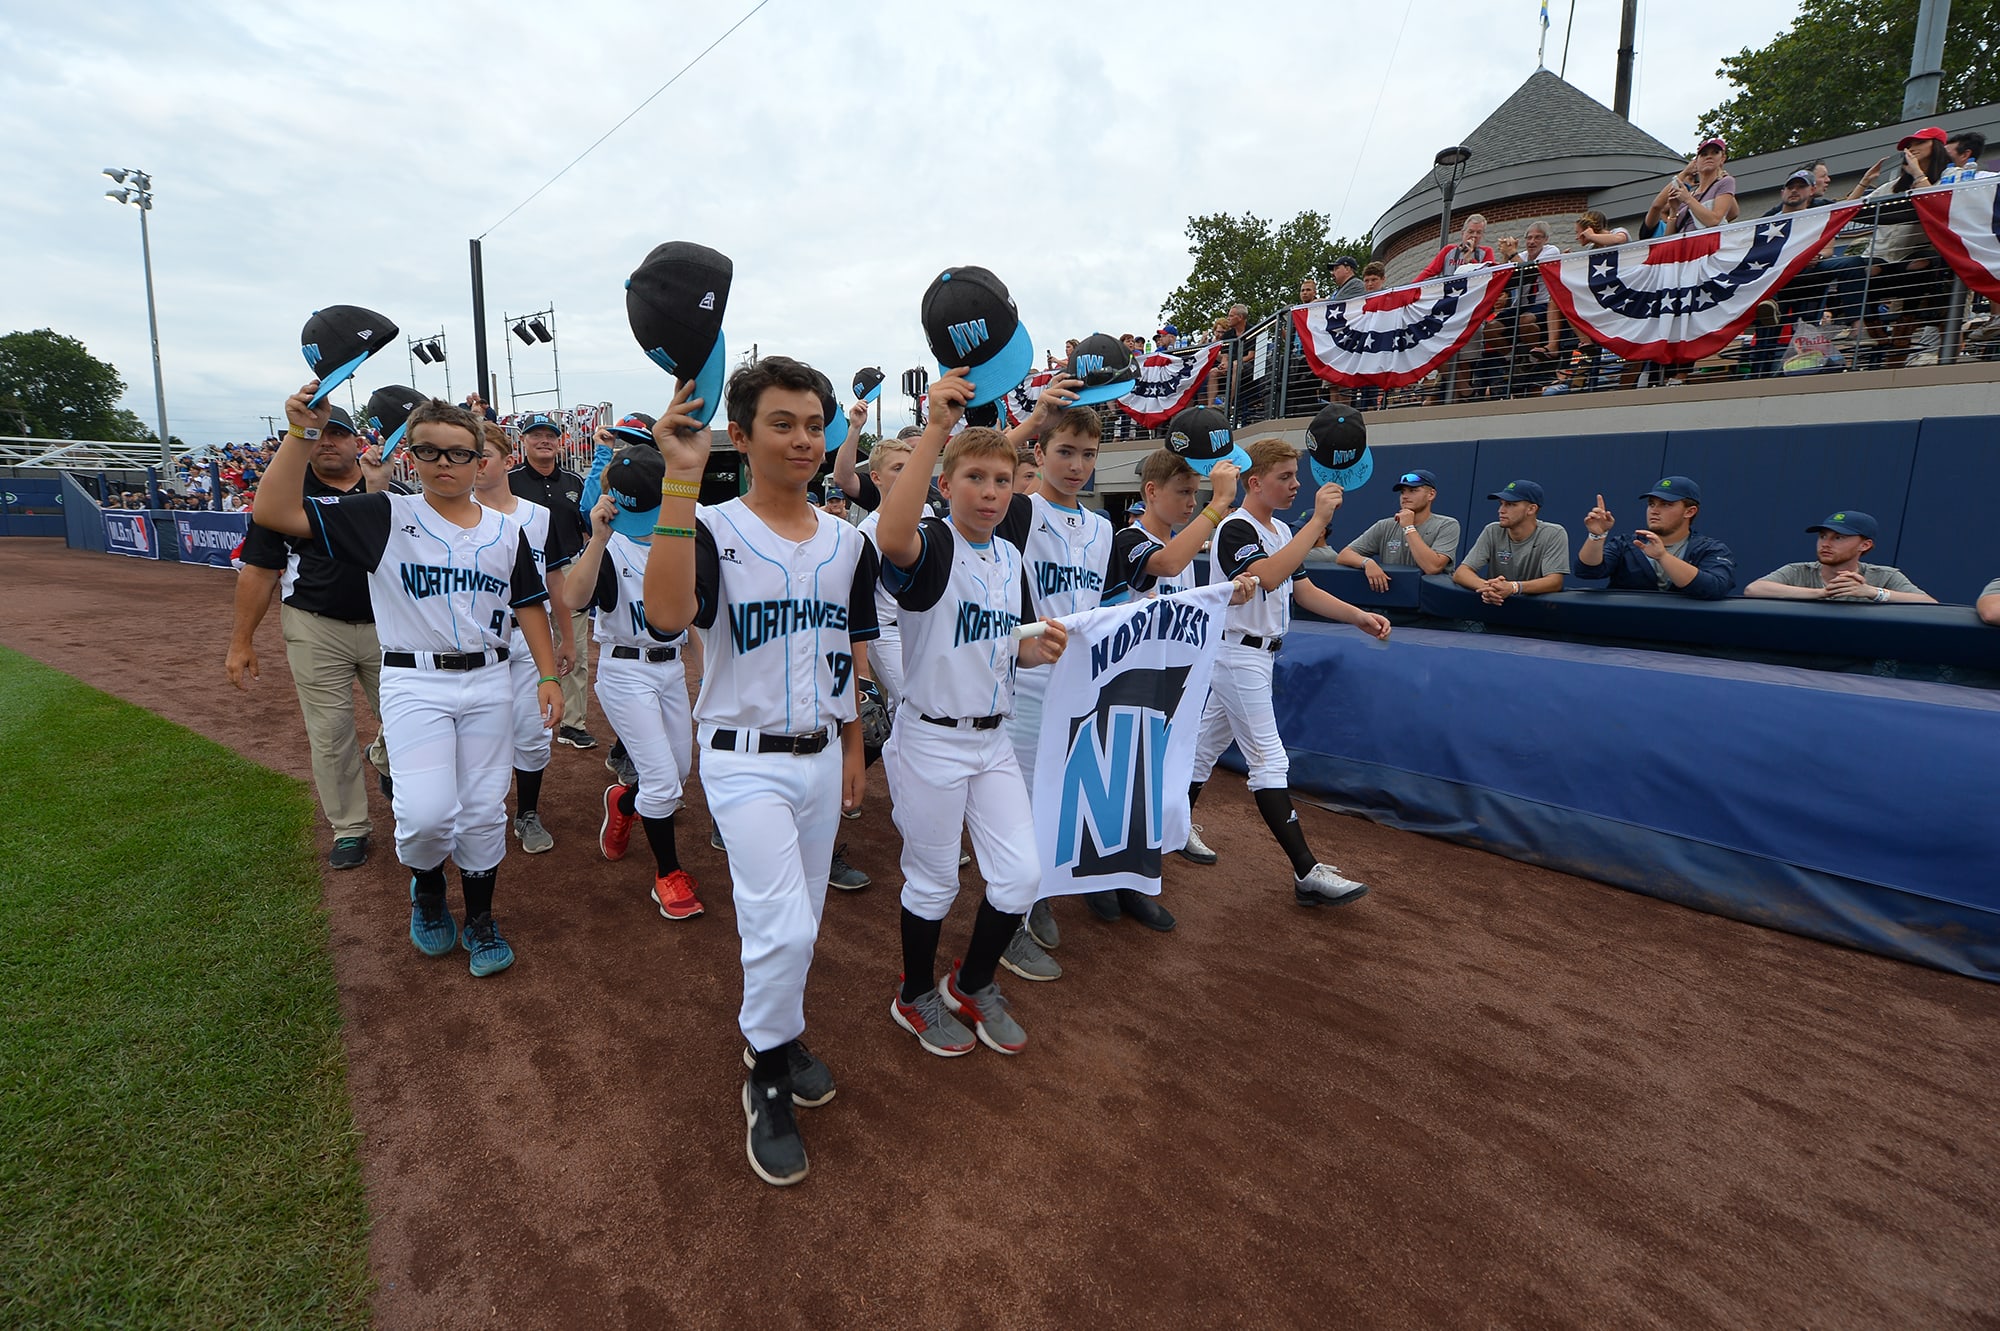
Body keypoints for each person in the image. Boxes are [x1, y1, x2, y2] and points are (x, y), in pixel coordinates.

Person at [640, 359, 879, 1188]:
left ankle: (777, 1031)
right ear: (738, 437)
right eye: (782, 423)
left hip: (818, 753)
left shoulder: (849, 541)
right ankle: (766, 1076)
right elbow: (668, 618)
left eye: (814, 423)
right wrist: (679, 483)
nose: (804, 439)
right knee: (785, 926)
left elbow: (845, 651)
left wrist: (852, 743)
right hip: (742, 759)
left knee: (800, 918)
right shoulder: (710, 526)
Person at [256, 387, 562, 979]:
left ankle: (479, 916)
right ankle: (426, 886)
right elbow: (274, 513)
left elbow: (529, 602)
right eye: (430, 452)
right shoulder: (384, 515)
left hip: (491, 679)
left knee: (479, 811)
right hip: (414, 680)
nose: (445, 464)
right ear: (411, 457)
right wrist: (300, 435)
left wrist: (548, 674)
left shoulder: (505, 531)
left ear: (481, 460)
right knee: (425, 815)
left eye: (458, 453)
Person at [871, 368, 1071, 1058]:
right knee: (933, 881)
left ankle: (972, 980)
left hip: (993, 739)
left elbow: (1009, 643)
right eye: (975, 478)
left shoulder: (1011, 554)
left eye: (1002, 479)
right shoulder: (933, 541)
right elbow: (893, 539)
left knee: (1019, 874)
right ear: (946, 485)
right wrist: (935, 430)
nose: (990, 492)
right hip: (931, 739)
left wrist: (1038, 651)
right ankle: (914, 991)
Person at [1187, 439, 1391, 897]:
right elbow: (1270, 576)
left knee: (1202, 748)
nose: (1297, 484)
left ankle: (1170, 827)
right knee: (1269, 760)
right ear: (1254, 482)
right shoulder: (1236, 528)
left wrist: (1357, 615)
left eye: (1296, 475)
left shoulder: (1279, 529)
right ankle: (1306, 870)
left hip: (1258, 653)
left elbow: (1304, 590)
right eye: (1285, 476)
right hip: (1237, 652)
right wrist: (1318, 521)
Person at [227, 404, 391, 870]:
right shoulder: (284, 495)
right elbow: (258, 572)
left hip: (390, 627)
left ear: (355, 441)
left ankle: (383, 758)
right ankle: (350, 828)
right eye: (317, 433)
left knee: (407, 720)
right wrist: (242, 641)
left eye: (336, 433)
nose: (326, 441)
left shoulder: (386, 489)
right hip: (315, 626)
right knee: (331, 733)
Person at [992, 376, 1117, 981]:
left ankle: (1032, 894)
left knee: (1056, 801)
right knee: (1017, 805)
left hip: (1076, 684)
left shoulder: (1103, 527)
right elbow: (986, 462)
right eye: (1064, 451)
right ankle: (1008, 919)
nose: (1077, 465)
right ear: (1038, 453)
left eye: (1088, 454)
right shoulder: (1018, 508)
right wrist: (1031, 419)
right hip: (1022, 683)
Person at [1109, 446, 1257, 886]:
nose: (1193, 501)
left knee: (1151, 781)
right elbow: (1164, 566)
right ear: (1151, 492)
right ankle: (1110, 881)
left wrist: (1226, 594)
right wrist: (1218, 506)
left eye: (1197, 493)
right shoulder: (1130, 539)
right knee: (1123, 785)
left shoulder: (1180, 548)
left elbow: (1183, 606)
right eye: (1184, 492)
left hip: (1166, 684)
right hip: (1126, 683)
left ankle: (1134, 875)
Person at [565, 455, 702, 922]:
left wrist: (701, 668)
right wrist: (598, 539)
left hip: (668, 669)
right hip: (626, 670)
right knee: (663, 783)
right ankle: (668, 873)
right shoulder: (612, 546)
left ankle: (623, 800)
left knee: (678, 773)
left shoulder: (681, 535)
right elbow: (573, 599)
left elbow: (692, 613)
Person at [471, 422, 576, 854]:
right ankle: (477, 812)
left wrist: (565, 637)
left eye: (483, 456)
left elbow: (553, 579)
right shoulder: (451, 513)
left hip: (526, 640)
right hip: (477, 642)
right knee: (481, 732)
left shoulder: (538, 516)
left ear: (507, 461)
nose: (474, 465)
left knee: (534, 733)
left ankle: (527, 812)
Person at [508, 412, 596, 750]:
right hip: (519, 569)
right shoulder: (511, 479)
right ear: (524, 441)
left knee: (573, 646)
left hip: (567, 568)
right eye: (536, 435)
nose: (543, 440)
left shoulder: (573, 482)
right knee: (516, 642)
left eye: (550, 435)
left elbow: (585, 527)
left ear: (560, 442)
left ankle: (573, 723)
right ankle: (517, 717)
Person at [1575, 477, 1735, 598]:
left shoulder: (1709, 549)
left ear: (1689, 511)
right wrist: (1597, 535)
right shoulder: (1627, 544)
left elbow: (1715, 588)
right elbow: (1588, 572)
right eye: (1651, 504)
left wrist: (1663, 557)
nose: (1654, 511)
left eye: (1666, 504)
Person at [1743, 512, 1937, 603]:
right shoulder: (1798, 570)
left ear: (1865, 545)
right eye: (1822, 536)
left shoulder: (1885, 576)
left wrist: (1871, 592)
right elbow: (1754, 589)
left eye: (1839, 537)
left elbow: (1929, 604)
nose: (1826, 543)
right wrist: (1822, 593)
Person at [1336, 468, 1461, 589]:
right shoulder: (1385, 525)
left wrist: (1408, 527)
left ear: (1431, 494)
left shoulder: (1447, 525)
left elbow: (1432, 567)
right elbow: (1344, 555)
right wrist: (1367, 563)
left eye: (1413, 491)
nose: (1405, 496)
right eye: (1403, 492)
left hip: (1432, 601)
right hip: (1394, 598)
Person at [1452, 480, 1570, 603]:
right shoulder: (1492, 530)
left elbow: (1555, 582)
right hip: (1495, 611)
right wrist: (1489, 588)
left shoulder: (1554, 533)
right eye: (1501, 504)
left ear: (1531, 509)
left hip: (1536, 616)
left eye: (1510, 504)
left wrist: (1514, 587)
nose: (1501, 510)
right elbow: (1461, 573)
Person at [1644, 137, 1739, 236]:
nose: (1709, 157)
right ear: (1695, 162)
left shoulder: (1725, 182)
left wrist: (1688, 199)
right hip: (1683, 247)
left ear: (1722, 158)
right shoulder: (1688, 194)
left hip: (1706, 247)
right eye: (1704, 154)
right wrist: (1673, 211)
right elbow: (1669, 237)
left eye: (1715, 152)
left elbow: (1714, 221)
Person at [1416, 215, 1495, 280]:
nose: (1474, 235)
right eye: (1470, 232)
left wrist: (1470, 260)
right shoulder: (1448, 250)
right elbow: (1430, 271)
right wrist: (1410, 289)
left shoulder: (1486, 252)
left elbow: (1488, 276)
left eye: (1478, 233)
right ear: (1463, 233)